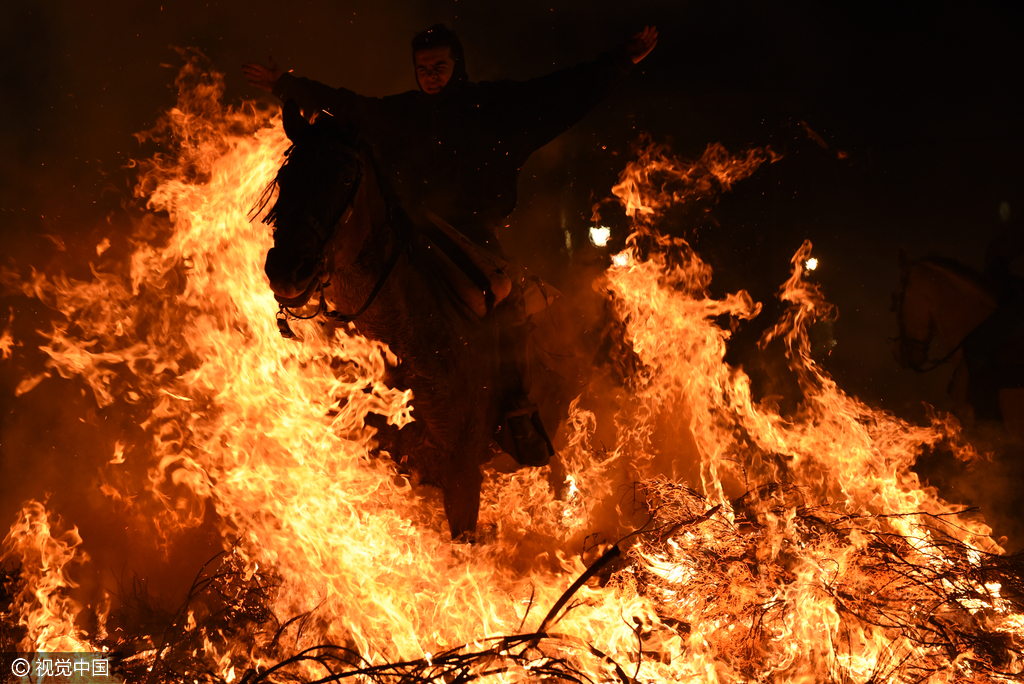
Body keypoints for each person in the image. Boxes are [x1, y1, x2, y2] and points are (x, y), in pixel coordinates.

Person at [244, 24, 657, 466]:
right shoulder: (404, 113)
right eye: (423, 68)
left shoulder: (493, 108)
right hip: (407, 229)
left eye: (440, 66)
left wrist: (619, 62)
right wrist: (286, 85)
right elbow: (348, 104)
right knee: (336, 279)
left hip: (470, 233)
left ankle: (517, 408)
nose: (431, 75)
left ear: (457, 65)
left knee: (503, 294)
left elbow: (558, 94)